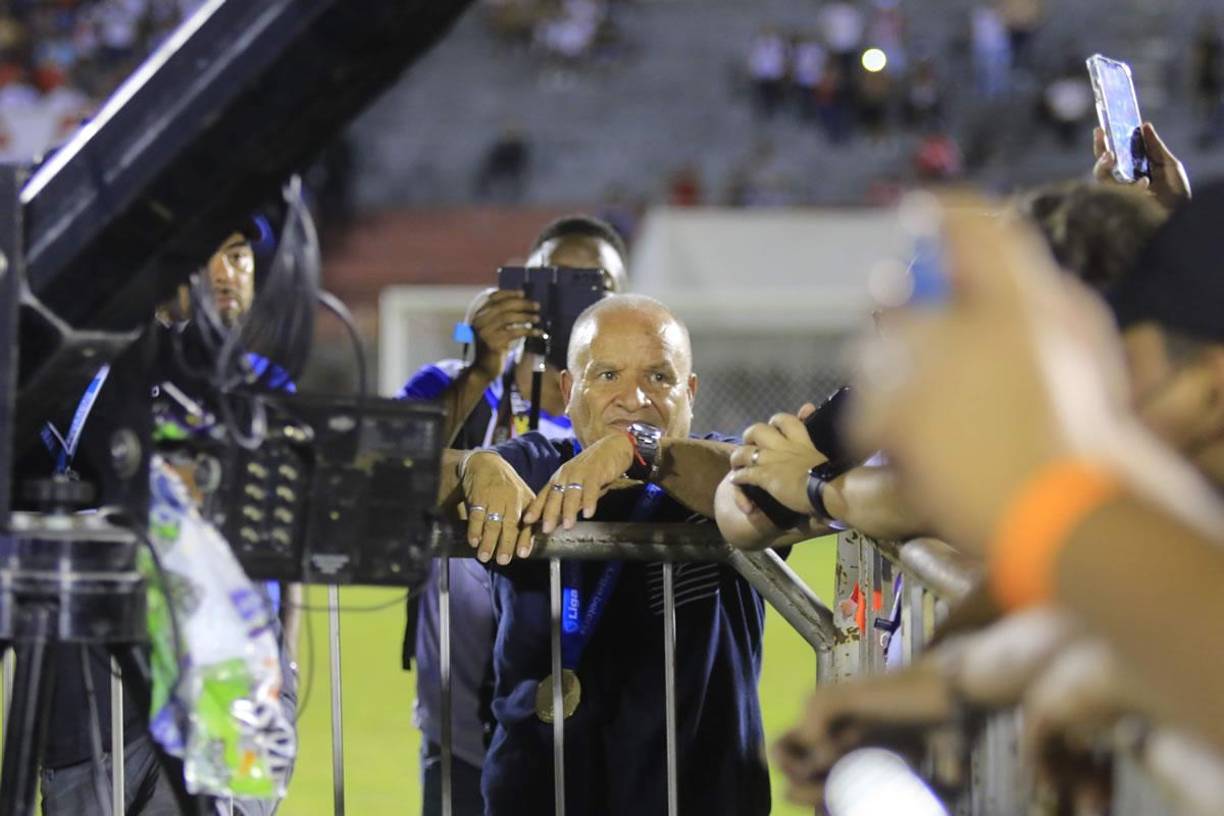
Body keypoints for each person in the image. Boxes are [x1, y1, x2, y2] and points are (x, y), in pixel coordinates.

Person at [438, 294, 773, 815]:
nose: (634, 398)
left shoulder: (711, 471)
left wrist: (642, 451)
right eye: (608, 375)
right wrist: (470, 467)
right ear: (569, 391)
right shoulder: (534, 465)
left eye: (659, 377)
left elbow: (771, 486)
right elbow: (388, 476)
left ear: (690, 392)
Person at [39, 221, 298, 816]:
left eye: (239, 256)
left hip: (230, 687)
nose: (226, 273)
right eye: (209, 255)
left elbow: (288, 541)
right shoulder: (77, 381)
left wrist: (286, 662)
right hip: (92, 698)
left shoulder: (262, 386)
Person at [398, 215, 628, 816]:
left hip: (580, 727)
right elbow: (385, 466)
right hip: (457, 732)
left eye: (595, 285)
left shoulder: (620, 423)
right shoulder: (457, 384)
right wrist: (480, 367)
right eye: (554, 279)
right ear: (523, 288)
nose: (572, 299)